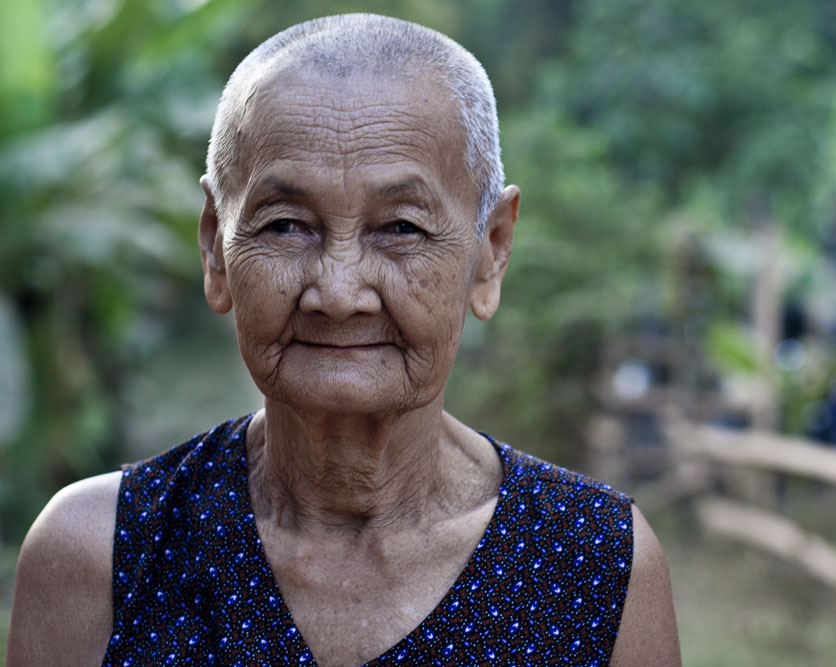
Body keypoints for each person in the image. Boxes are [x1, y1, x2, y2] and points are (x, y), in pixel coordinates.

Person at [6, 14, 681, 666]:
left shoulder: (596, 567)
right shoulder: (97, 556)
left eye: (402, 228)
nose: (338, 291)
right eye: (285, 226)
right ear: (216, 248)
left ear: (492, 250)